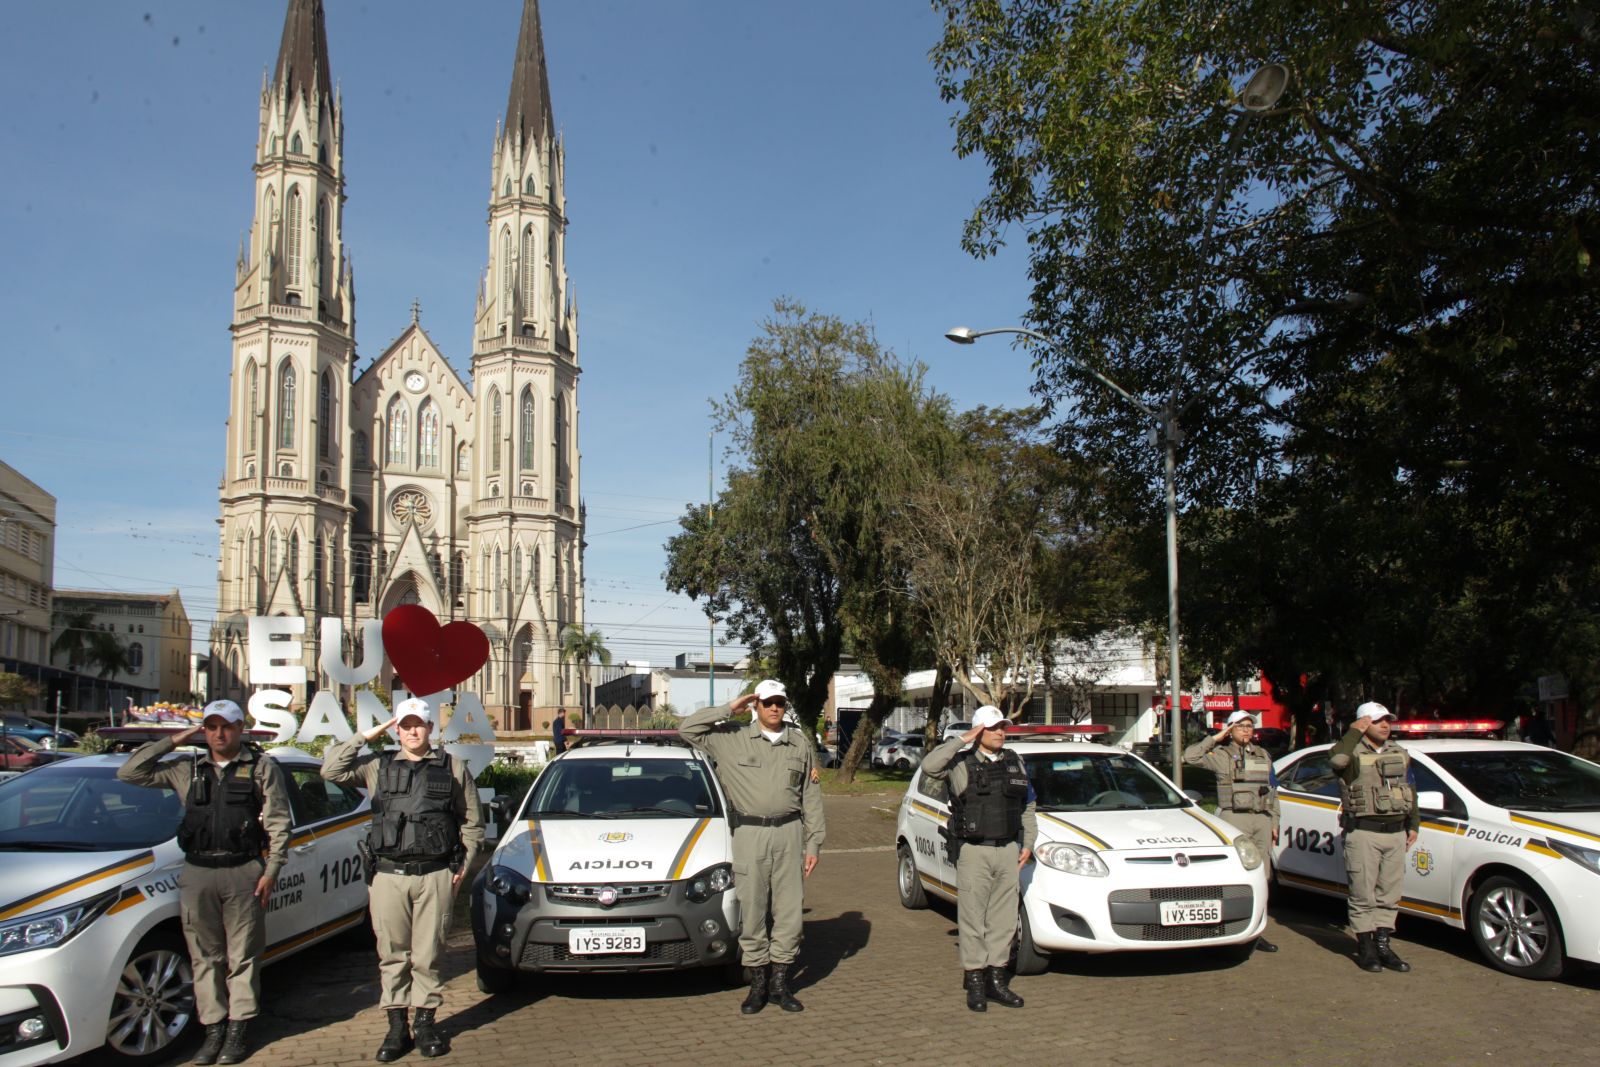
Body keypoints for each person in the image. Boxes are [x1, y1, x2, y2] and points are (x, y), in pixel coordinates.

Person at [115, 699, 291, 1065]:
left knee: (242, 957)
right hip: (197, 872)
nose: (218, 733)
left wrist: (271, 870)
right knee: (204, 957)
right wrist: (177, 738)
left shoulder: (261, 767)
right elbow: (129, 772)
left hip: (243, 871)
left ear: (241, 727)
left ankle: (238, 1030)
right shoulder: (186, 769)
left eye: (225, 726)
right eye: (210, 727)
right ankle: (213, 1030)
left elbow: (278, 823)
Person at [322, 698, 484, 1061]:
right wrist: (367, 735)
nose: (413, 731)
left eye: (419, 724)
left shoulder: (452, 767)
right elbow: (330, 770)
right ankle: (397, 1028)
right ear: (396, 729)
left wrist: (463, 867)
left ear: (431, 728)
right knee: (392, 956)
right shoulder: (376, 767)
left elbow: (472, 823)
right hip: (388, 875)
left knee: (428, 955)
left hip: (435, 875)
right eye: (405, 724)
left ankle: (426, 1024)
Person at [679, 679, 825, 1015]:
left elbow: (810, 796)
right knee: (753, 910)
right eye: (768, 702)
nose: (775, 708)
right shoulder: (730, 738)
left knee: (789, 913)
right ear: (756, 705)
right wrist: (730, 707)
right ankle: (757, 983)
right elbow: (687, 729)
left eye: (780, 703)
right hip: (749, 833)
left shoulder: (798, 744)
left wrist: (814, 842)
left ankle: (780, 983)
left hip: (789, 833)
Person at [920, 705, 1037, 1012]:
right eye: (994, 726)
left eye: (1003, 727)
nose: (1001, 731)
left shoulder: (1015, 761)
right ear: (979, 731)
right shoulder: (960, 762)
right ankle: (975, 982)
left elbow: (1028, 805)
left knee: (1003, 919)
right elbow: (929, 766)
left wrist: (1028, 842)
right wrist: (963, 739)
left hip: (1008, 849)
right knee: (972, 918)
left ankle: (996, 981)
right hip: (974, 850)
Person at [1329, 701, 1419, 973]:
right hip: (1364, 831)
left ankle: (1383, 944)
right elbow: (1336, 761)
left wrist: (1414, 823)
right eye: (1378, 720)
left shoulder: (1399, 752)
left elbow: (1410, 788)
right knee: (1363, 894)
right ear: (1364, 723)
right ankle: (1366, 948)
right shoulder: (1352, 752)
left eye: (1387, 720)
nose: (1385, 725)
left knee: (1389, 894)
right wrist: (1353, 732)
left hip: (1395, 832)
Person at [1184, 709, 1281, 952]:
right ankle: (1230, 927)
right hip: (1234, 819)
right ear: (1230, 730)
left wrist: (1275, 821)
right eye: (1240, 726)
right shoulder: (1221, 755)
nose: (1247, 730)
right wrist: (1215, 738)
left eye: (1250, 726)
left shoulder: (1263, 755)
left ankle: (1257, 929)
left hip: (1261, 819)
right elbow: (1190, 756)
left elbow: (1273, 790)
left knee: (1263, 876)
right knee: (1235, 876)